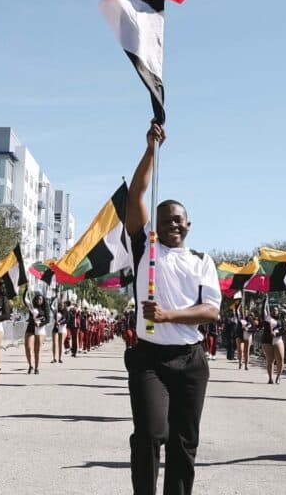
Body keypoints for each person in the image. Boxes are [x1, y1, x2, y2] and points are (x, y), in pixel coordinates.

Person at [124, 121, 221, 495]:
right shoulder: (145, 251)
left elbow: (211, 312)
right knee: (151, 435)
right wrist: (151, 148)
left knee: (184, 444)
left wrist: (168, 316)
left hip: (191, 362)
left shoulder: (202, 260)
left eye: (178, 221)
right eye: (165, 221)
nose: (172, 226)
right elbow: (136, 196)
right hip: (150, 360)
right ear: (156, 227)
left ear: (188, 224)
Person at [25, 292, 49, 374]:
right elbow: (25, 299)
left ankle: (37, 367)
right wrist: (26, 289)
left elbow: (47, 320)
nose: (39, 300)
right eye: (37, 299)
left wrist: (40, 324)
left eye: (40, 299)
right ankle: (30, 365)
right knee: (28, 347)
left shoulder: (45, 308)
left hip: (40, 329)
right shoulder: (32, 306)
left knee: (37, 349)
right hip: (31, 327)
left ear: (43, 300)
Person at [260, 303, 285, 384]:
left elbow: (284, 331)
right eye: (273, 310)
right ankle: (270, 378)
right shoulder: (267, 318)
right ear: (270, 311)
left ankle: (278, 376)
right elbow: (262, 310)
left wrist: (276, 334)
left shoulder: (281, 320)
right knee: (270, 360)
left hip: (278, 340)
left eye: (276, 310)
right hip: (267, 341)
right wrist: (265, 299)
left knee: (280, 360)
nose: (274, 311)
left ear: (278, 311)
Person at [51, 298, 68, 364]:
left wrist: (60, 323)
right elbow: (51, 306)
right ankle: (54, 358)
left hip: (62, 328)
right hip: (56, 328)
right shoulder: (56, 311)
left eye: (62, 305)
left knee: (60, 343)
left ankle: (60, 358)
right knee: (55, 343)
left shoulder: (66, 312)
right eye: (59, 304)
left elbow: (67, 320)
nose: (61, 306)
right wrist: (54, 298)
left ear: (64, 305)